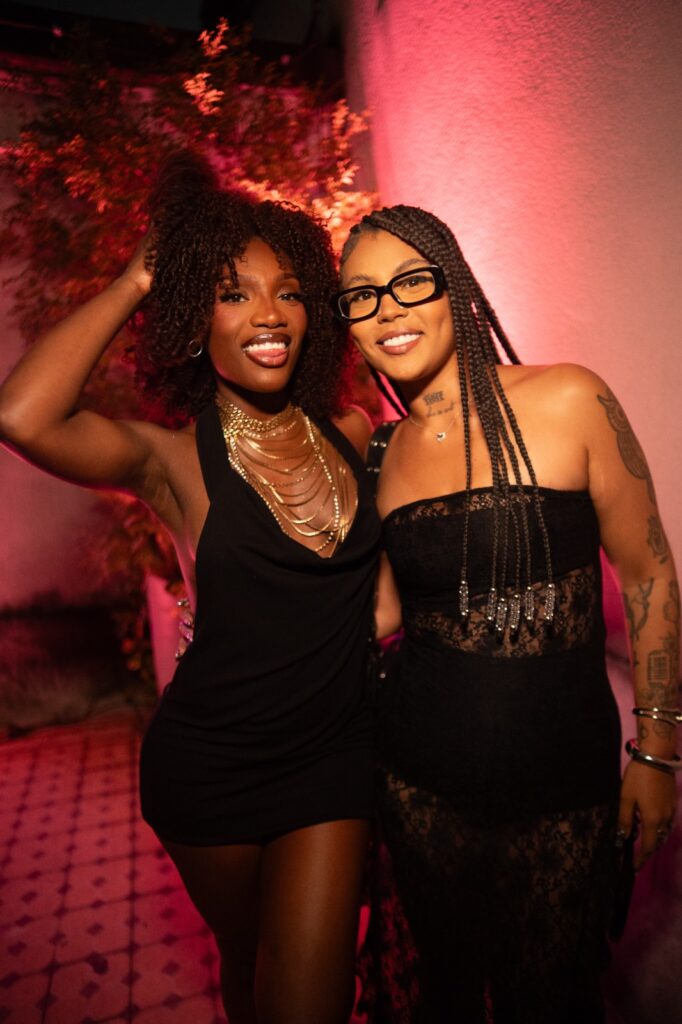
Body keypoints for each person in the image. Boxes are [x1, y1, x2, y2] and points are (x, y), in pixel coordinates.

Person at [0, 154, 381, 1024]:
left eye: (288, 292)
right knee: (248, 966)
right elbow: (21, 415)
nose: (268, 315)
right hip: (213, 766)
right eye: (232, 293)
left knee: (310, 1001)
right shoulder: (171, 460)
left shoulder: (353, 431)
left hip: (333, 752)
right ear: (192, 316)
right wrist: (142, 273)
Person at [332, 205, 680, 1022]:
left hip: (564, 788)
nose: (387, 310)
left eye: (409, 282)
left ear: (455, 284)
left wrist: (658, 751)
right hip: (418, 785)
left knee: (551, 998)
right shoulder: (381, 454)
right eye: (361, 296)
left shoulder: (570, 398)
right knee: (445, 997)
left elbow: (650, 575)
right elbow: (382, 615)